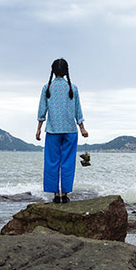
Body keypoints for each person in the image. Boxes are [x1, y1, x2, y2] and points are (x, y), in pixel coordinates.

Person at [36, 58, 88, 203]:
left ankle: (55, 195)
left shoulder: (47, 88)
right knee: (68, 162)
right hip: (70, 130)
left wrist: (39, 130)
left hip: (53, 130)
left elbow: (42, 110)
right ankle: (64, 194)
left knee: (52, 162)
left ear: (53, 71)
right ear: (66, 72)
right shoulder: (73, 88)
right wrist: (82, 128)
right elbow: (78, 111)